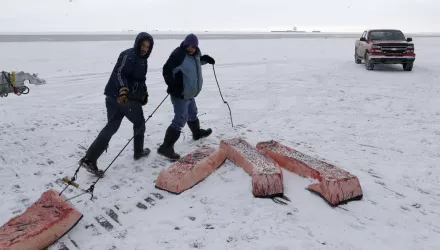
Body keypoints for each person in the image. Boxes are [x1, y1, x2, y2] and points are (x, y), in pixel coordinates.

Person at [79, 32, 154, 176]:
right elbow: (120, 73)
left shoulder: (142, 59)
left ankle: (89, 159)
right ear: (137, 43)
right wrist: (123, 91)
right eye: (143, 45)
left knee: (112, 126)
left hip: (116, 96)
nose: (145, 49)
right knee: (139, 123)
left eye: (148, 47)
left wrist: (143, 93)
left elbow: (140, 80)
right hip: (122, 98)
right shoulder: (129, 55)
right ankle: (138, 152)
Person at [157, 33, 216, 160]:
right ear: (184, 45)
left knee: (192, 113)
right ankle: (166, 147)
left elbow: (195, 63)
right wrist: (172, 84)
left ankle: (196, 133)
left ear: (196, 47)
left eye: (193, 47)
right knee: (180, 119)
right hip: (180, 94)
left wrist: (205, 59)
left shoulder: (195, 54)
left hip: (189, 93)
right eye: (188, 46)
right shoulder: (178, 55)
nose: (190, 49)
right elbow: (167, 70)